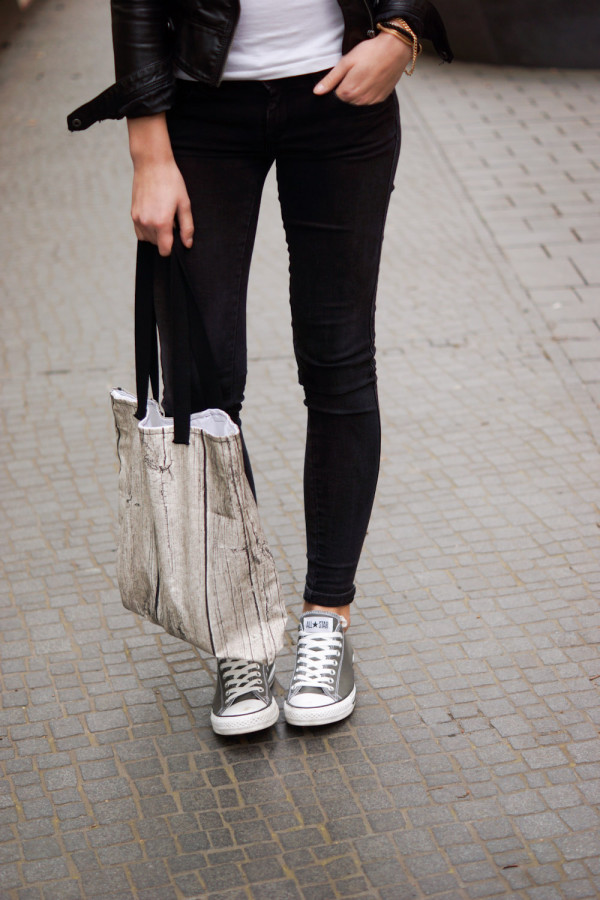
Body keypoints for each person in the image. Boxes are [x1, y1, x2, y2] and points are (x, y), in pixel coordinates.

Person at [68, 0, 452, 736]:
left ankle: (326, 619)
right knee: (201, 382)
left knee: (338, 360)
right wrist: (147, 149)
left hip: (344, 97)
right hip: (200, 108)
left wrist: (401, 34)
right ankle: (238, 633)